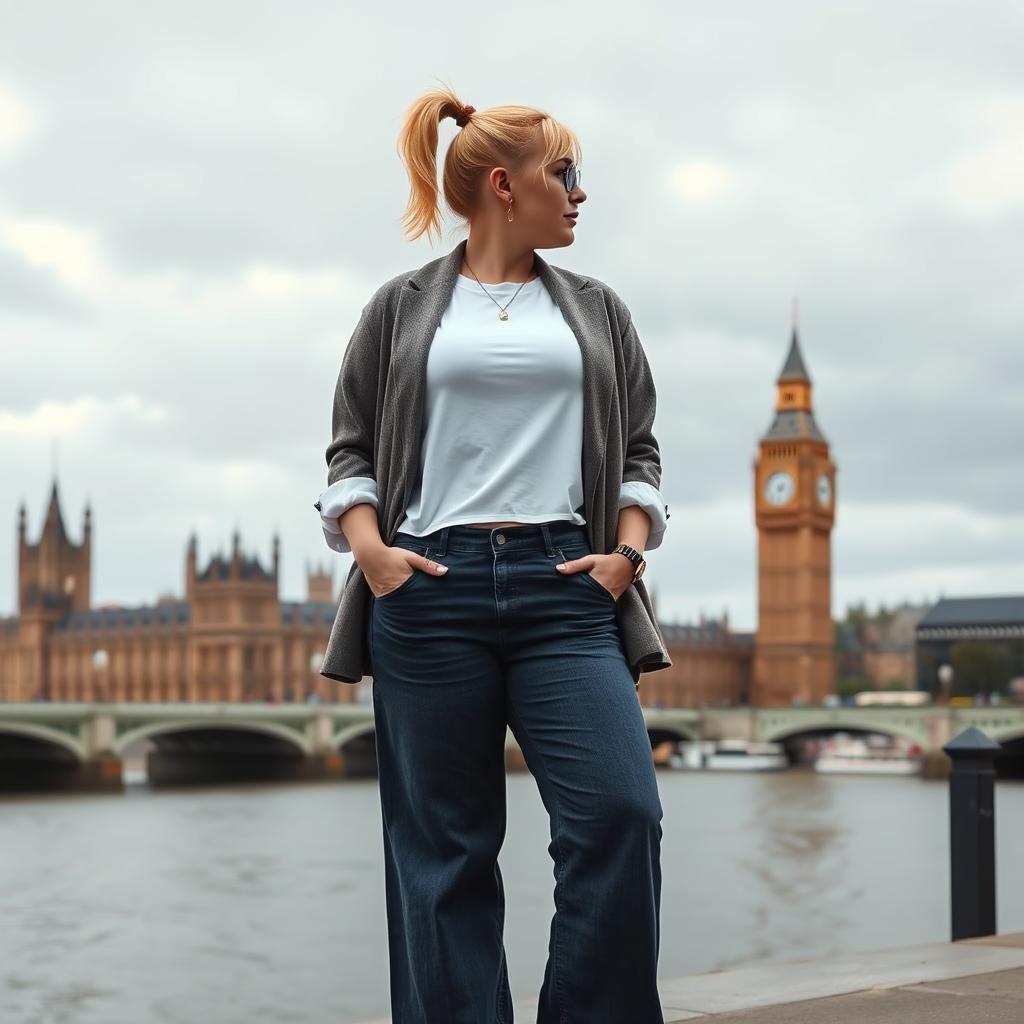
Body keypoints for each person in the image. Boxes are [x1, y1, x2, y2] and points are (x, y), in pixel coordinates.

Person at [316, 86, 670, 1023]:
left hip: (568, 590)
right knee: (444, 857)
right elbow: (349, 451)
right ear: (506, 186)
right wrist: (375, 555)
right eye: (567, 173)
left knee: (621, 817)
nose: (582, 193)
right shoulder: (398, 310)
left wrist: (625, 558)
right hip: (429, 588)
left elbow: (638, 453)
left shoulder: (599, 311)